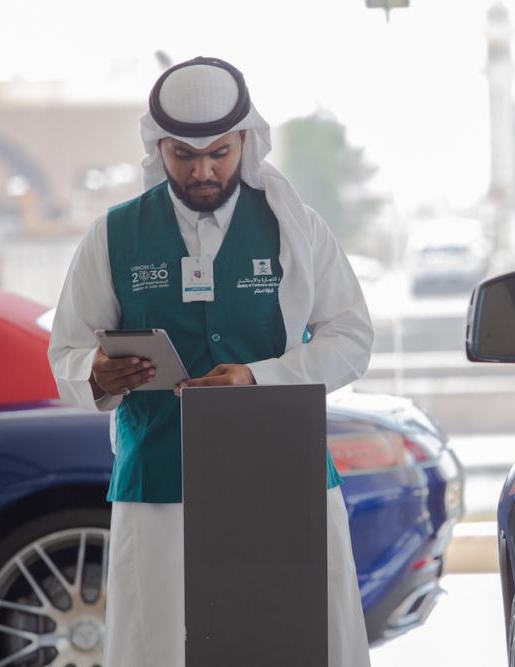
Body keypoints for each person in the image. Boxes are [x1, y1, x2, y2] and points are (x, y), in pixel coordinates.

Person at [48, 56, 374, 667]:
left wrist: (259, 377)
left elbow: (351, 338)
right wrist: (94, 371)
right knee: (161, 645)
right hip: (159, 481)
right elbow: (65, 350)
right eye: (183, 155)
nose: (202, 171)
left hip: (284, 474)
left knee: (293, 640)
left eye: (219, 153)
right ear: (158, 147)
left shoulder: (296, 228)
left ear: (245, 141)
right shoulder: (112, 235)